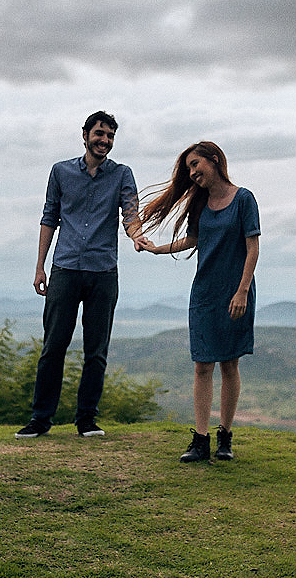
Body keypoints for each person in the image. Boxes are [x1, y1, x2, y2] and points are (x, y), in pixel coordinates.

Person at [15, 111, 145, 439]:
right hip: (65, 269)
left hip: (103, 272)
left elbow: (131, 212)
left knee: (96, 349)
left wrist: (136, 235)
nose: (104, 140)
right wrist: (40, 266)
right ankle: (40, 419)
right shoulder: (60, 172)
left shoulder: (122, 174)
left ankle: (86, 420)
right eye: (100, 134)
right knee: (53, 346)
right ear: (85, 134)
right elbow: (49, 218)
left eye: (110, 136)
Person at [136, 141, 260, 462]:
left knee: (229, 363)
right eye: (188, 168)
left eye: (195, 165)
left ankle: (225, 436)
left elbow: (252, 247)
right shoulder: (201, 204)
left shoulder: (244, 199)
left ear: (215, 159)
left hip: (236, 293)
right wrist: (155, 249)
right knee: (202, 365)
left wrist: (243, 290)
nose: (192, 173)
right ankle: (201, 440)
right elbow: (192, 240)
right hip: (204, 294)